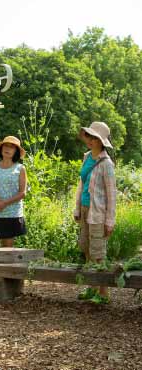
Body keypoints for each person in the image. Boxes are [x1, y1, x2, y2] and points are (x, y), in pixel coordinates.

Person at [74, 121, 116, 304]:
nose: (90, 140)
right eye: (89, 136)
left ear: (101, 141)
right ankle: (92, 288)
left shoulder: (107, 164)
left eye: (94, 138)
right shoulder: (86, 158)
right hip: (84, 210)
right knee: (87, 249)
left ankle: (104, 293)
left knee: (98, 253)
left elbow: (111, 194)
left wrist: (110, 221)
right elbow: (81, 184)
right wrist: (77, 208)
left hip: (98, 213)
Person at [0, 136, 27, 247]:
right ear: (1, 149)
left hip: (11, 213)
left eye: (12, 147)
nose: (8, 149)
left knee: (7, 252)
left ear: (16, 151)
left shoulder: (20, 168)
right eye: (6, 146)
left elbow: (23, 193)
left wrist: (5, 203)